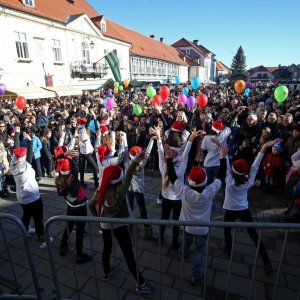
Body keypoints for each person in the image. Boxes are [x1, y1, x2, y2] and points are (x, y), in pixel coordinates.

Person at [90, 153, 154, 294]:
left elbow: (90, 205)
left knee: (107, 248)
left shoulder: (101, 190)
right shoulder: (121, 191)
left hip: (106, 224)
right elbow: (129, 174)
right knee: (128, 254)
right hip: (120, 225)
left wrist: (97, 219)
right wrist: (135, 160)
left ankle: (106, 273)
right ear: (119, 180)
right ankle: (141, 283)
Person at [165, 143, 227, 288]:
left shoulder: (185, 191)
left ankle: (184, 254)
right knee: (199, 251)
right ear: (205, 181)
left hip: (187, 226)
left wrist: (168, 158)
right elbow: (221, 176)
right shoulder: (209, 191)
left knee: (186, 242)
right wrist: (223, 158)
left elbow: (173, 176)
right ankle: (195, 276)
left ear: (189, 181)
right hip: (203, 229)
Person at [222, 140, 278, 275]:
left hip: (230, 210)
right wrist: (264, 146)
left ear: (233, 171)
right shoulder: (249, 181)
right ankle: (265, 259)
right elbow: (256, 163)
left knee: (227, 231)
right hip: (243, 210)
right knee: (253, 234)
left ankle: (228, 250)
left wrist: (222, 153)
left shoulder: (229, 182)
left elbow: (226, 166)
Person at [54, 146, 92, 264]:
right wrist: (70, 154)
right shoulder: (74, 175)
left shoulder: (59, 177)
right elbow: (75, 162)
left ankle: (62, 245)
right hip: (80, 206)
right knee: (80, 231)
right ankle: (79, 255)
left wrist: (64, 155)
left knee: (69, 226)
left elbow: (58, 162)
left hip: (70, 204)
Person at [9, 147, 50, 248]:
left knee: (26, 215)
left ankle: (25, 230)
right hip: (33, 197)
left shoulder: (13, 166)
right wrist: (29, 141)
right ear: (23, 157)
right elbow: (30, 153)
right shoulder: (24, 167)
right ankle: (42, 237)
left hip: (22, 197)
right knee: (38, 218)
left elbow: (17, 155)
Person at [125, 138, 157, 241]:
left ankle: (129, 224)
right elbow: (147, 152)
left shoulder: (127, 162)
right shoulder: (141, 164)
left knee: (129, 207)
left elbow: (124, 150)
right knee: (142, 209)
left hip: (129, 188)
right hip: (138, 190)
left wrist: (123, 140)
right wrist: (152, 140)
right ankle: (147, 230)